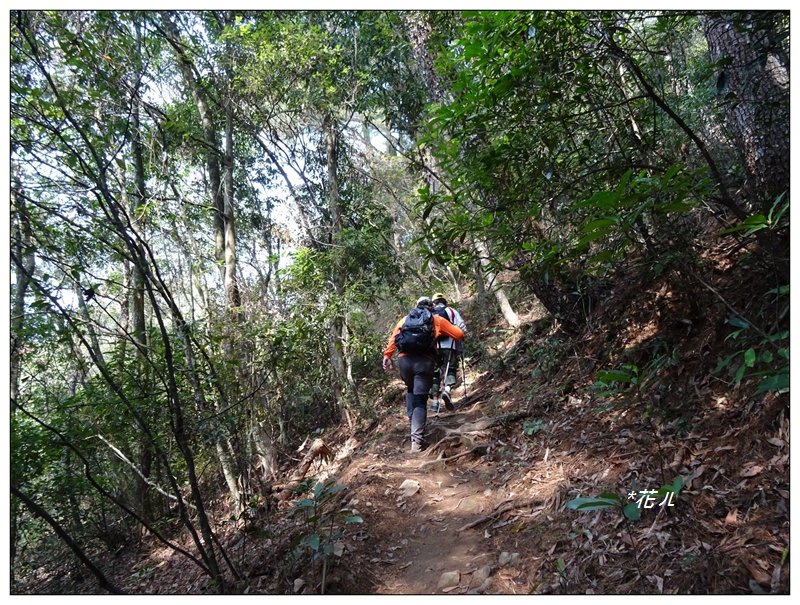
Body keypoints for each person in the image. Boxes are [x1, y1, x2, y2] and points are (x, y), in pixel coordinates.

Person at [383, 296, 465, 452]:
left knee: (411, 391)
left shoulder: (405, 320)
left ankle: (414, 424)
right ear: (431, 308)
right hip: (424, 362)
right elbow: (459, 334)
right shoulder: (436, 319)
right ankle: (416, 442)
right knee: (420, 399)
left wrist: (387, 356)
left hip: (404, 362)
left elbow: (394, 339)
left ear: (416, 306)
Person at [429, 293, 467, 413]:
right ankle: (447, 389)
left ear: (434, 302)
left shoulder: (429, 314)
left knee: (435, 373)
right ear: (444, 301)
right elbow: (462, 328)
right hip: (450, 345)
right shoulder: (451, 311)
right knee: (450, 368)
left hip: (434, 347)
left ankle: (435, 402)